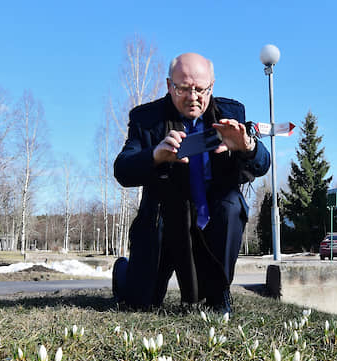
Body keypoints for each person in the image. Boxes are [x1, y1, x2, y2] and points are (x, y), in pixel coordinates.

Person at [113, 52, 270, 314]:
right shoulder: (146, 119)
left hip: (213, 218)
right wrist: (155, 155)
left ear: (212, 86)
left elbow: (262, 164)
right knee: (140, 303)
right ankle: (124, 274)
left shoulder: (231, 112)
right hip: (164, 221)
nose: (193, 97)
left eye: (201, 89)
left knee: (232, 205)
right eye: (183, 88)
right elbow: (123, 169)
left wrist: (247, 146)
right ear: (168, 85)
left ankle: (219, 295)